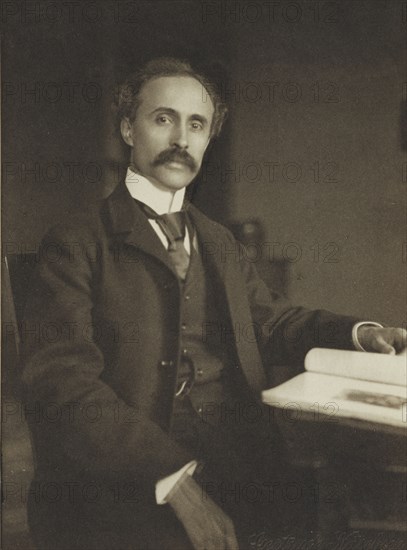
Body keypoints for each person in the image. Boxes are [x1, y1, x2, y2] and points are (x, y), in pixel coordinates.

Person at [21, 57, 406, 550]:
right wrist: (175, 484)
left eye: (196, 125)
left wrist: (361, 333)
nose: (181, 138)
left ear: (207, 140)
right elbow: (63, 385)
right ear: (128, 129)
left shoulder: (218, 240)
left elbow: (271, 322)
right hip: (126, 475)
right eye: (164, 119)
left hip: (238, 457)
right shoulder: (75, 242)